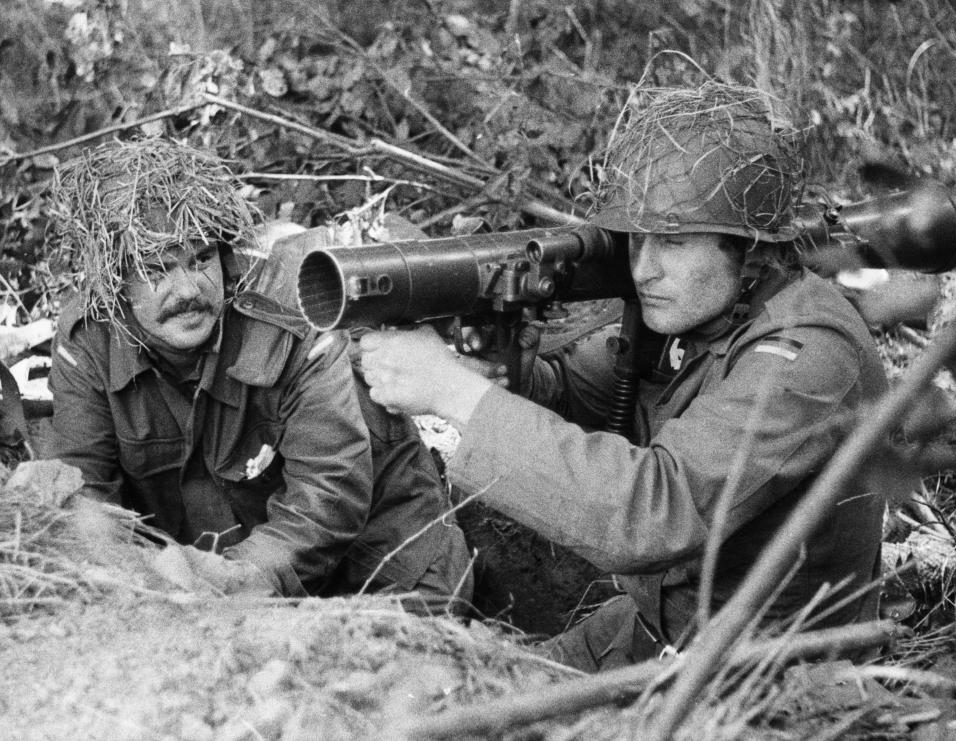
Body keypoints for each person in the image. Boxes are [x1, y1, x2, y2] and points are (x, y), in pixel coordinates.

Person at [356, 82, 886, 669]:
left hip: (766, 670)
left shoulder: (809, 356)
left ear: (751, 249)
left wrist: (454, 393)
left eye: (674, 241)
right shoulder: (699, 313)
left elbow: (654, 513)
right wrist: (500, 361)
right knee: (465, 689)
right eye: (636, 239)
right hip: (658, 626)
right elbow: (572, 391)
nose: (645, 268)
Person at [46, 137, 471, 609]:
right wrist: (131, 581)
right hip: (232, 572)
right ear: (115, 285)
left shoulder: (292, 314)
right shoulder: (89, 341)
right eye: (156, 269)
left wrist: (223, 584)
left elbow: (329, 494)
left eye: (201, 258)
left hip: (377, 554)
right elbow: (81, 490)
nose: (187, 289)